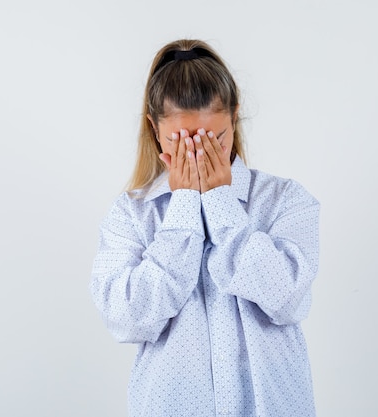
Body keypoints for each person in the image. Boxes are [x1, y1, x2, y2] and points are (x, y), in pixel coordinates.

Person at [91, 39, 320, 417]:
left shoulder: (284, 200)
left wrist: (219, 202)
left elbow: (288, 298)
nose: (198, 155)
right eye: (180, 142)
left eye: (214, 141)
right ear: (153, 129)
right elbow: (126, 320)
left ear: (234, 117)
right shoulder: (131, 214)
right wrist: (182, 212)